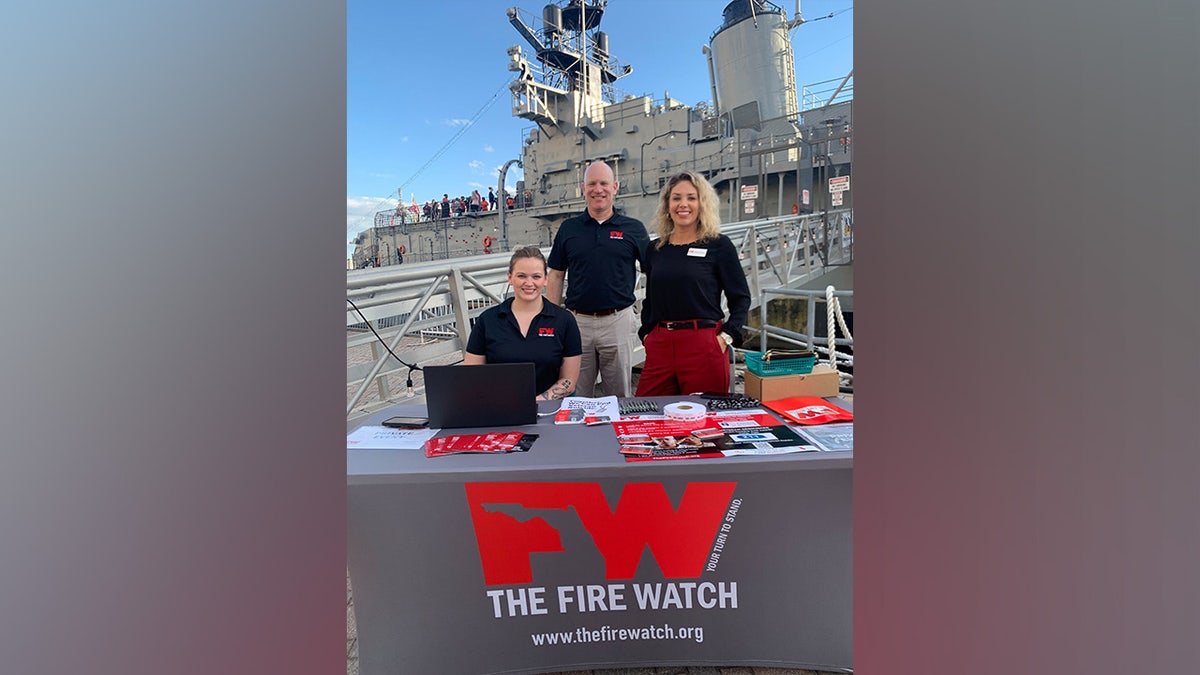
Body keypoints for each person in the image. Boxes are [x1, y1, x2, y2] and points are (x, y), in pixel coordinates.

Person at [635, 171, 751, 396]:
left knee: (707, 419)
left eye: (691, 197)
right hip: (660, 344)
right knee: (646, 413)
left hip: (704, 344)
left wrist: (726, 337)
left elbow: (741, 298)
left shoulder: (719, 246)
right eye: (676, 198)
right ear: (667, 205)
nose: (683, 204)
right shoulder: (656, 249)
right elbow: (651, 298)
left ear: (702, 203)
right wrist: (647, 335)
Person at [547, 161, 649, 397]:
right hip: (577, 322)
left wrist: (650, 316)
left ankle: (617, 434)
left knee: (620, 395)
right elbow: (556, 275)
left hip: (618, 321)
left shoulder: (633, 229)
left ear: (615, 187)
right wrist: (553, 319)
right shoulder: (569, 229)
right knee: (575, 394)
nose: (598, 189)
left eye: (604, 183)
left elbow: (652, 271)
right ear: (584, 188)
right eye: (592, 184)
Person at [464, 247, 581, 401]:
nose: (529, 283)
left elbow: (569, 381)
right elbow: (471, 376)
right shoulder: (487, 320)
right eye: (521, 276)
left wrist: (534, 402)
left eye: (536, 276)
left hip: (548, 410)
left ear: (545, 279)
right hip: (497, 407)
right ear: (510, 278)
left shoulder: (564, 320)